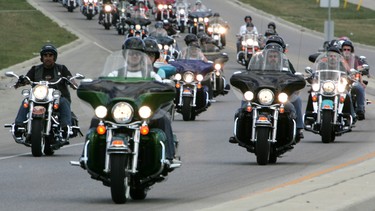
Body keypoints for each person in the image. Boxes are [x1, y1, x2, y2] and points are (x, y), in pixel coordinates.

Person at [12, 44, 76, 145]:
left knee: (64, 102)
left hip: (57, 97)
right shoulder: (35, 69)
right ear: (42, 57)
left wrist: (72, 82)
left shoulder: (61, 69)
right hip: (39, 97)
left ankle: (65, 129)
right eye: (45, 55)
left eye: (50, 55)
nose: (48, 58)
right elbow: (27, 79)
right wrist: (21, 81)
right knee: (26, 101)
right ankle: (19, 127)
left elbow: (71, 79)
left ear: (54, 57)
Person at [263, 35, 305, 142]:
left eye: (275, 56)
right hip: (262, 94)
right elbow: (250, 74)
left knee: (297, 100)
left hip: (280, 94)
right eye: (270, 55)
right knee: (245, 101)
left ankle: (299, 128)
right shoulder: (259, 62)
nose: (273, 57)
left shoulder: (286, 63)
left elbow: (294, 76)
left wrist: (296, 81)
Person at [340, 40, 368, 120]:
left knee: (359, 88)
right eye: (344, 49)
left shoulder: (355, 59)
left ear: (351, 50)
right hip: (341, 81)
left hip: (353, 81)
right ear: (341, 50)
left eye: (348, 49)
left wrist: (361, 81)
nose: (346, 51)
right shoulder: (338, 59)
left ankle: (360, 110)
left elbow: (360, 69)